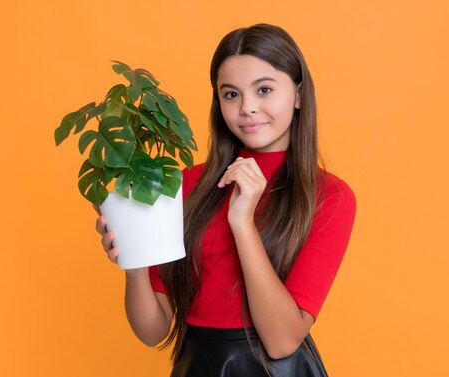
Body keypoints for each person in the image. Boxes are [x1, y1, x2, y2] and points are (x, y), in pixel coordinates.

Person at [94, 23, 356, 377]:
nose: (247, 107)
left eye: (264, 89)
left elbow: (281, 342)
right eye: (231, 94)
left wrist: (242, 223)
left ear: (298, 94)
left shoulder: (329, 196)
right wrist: (135, 262)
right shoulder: (184, 185)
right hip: (197, 365)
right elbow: (153, 331)